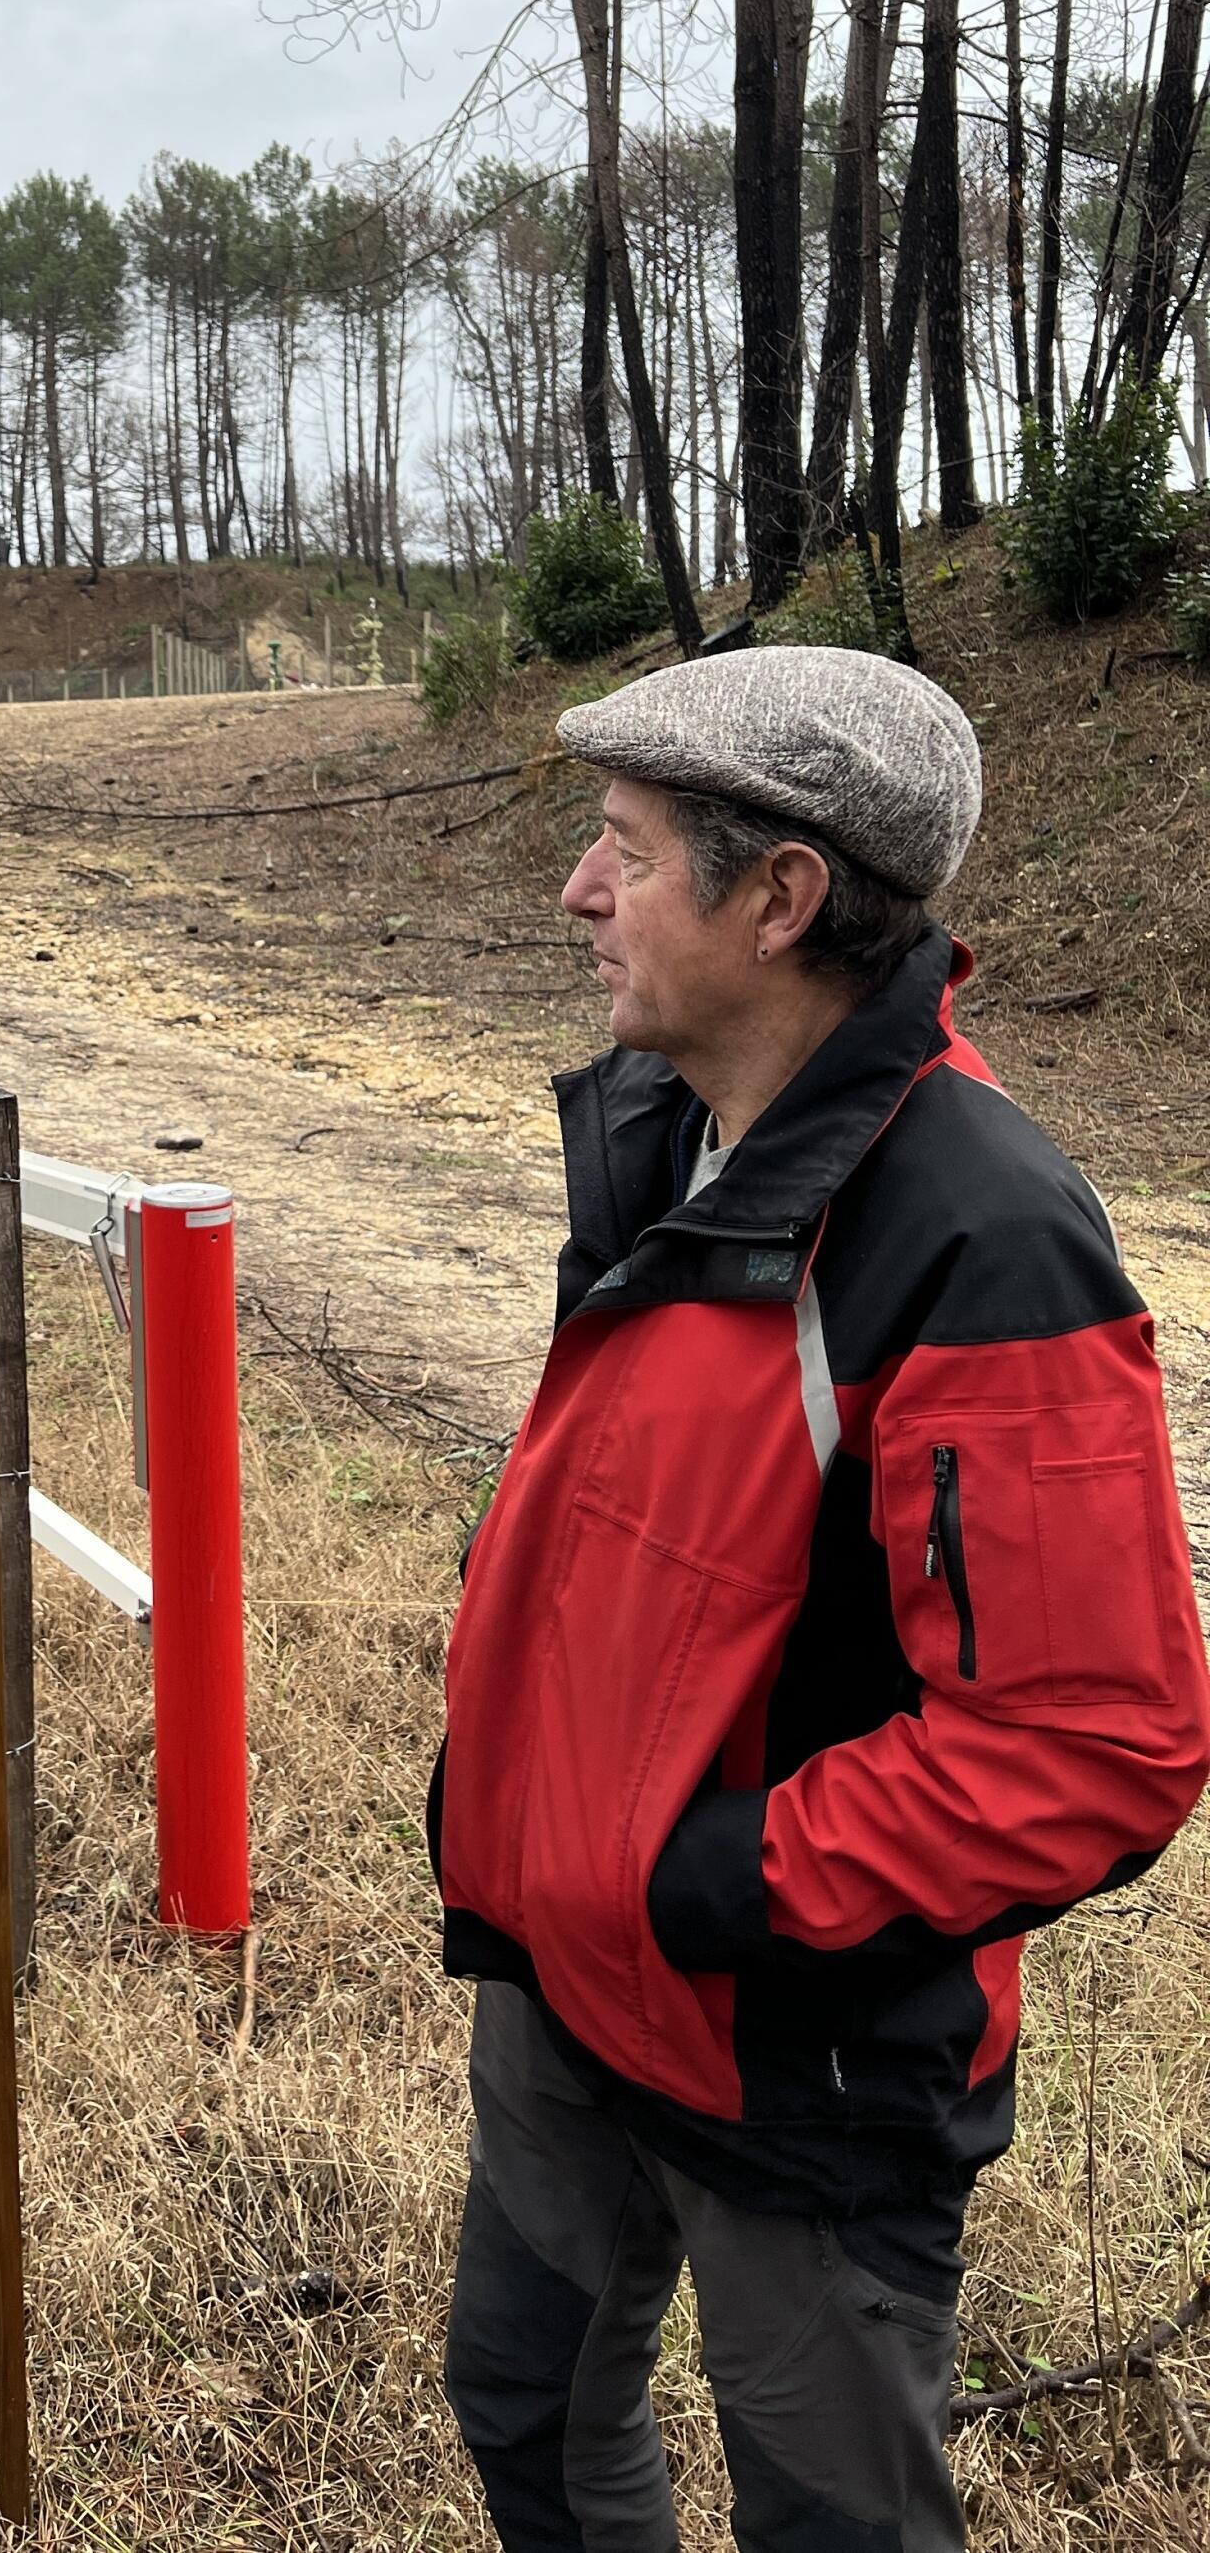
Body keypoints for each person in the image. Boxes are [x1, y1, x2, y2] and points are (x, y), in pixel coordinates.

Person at [431, 646, 1210, 2553]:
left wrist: (712, 1887)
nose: (575, 893)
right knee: (525, 2404)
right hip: (567, 1985)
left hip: (800, 2052)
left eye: (621, 850)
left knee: (832, 2526)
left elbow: (1091, 1740)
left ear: (779, 898)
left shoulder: (981, 1232)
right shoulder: (659, 1133)